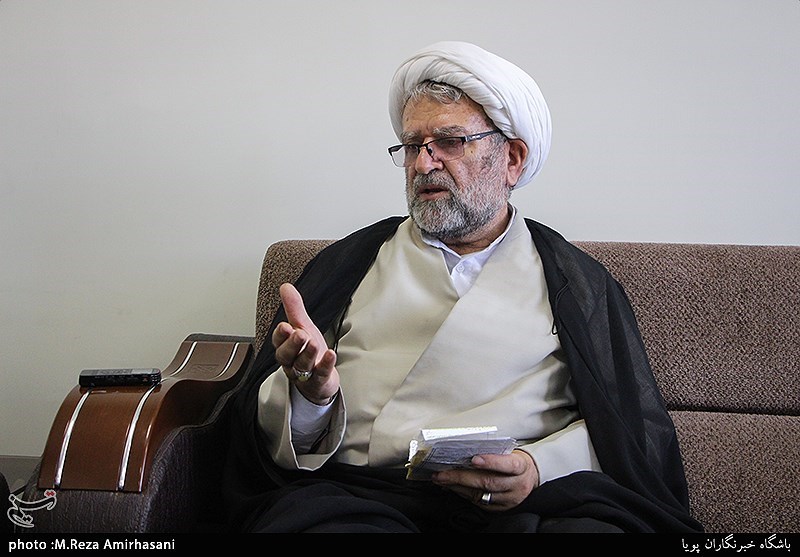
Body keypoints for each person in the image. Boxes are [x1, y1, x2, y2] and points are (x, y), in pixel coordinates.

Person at [222, 41, 704, 533]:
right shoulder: (349, 263)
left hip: (529, 511)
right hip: (362, 501)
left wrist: (538, 467)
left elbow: (625, 433)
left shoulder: (576, 284)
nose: (423, 164)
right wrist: (313, 397)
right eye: (413, 146)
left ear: (512, 158)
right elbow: (273, 445)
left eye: (450, 142)